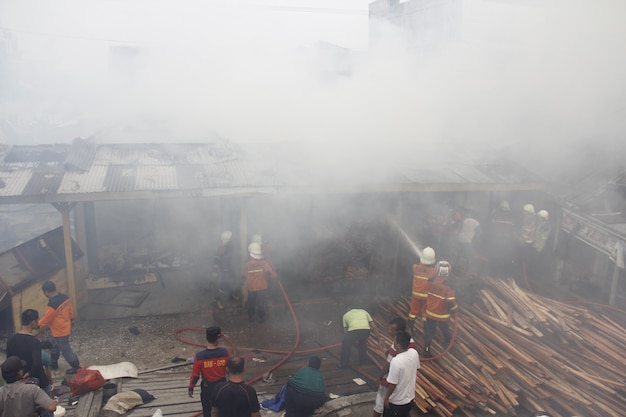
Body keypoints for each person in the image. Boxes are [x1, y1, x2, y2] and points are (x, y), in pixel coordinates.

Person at [6, 309, 53, 417]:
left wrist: (20, 376)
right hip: (38, 380)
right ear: (33, 322)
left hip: (18, 381)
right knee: (47, 410)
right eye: (37, 320)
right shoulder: (33, 342)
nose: (38, 322)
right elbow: (37, 363)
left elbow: (10, 360)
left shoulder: (11, 339)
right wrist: (29, 374)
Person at [373, 318, 416, 417]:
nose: (389, 331)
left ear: (399, 332)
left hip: (392, 380)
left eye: (391, 330)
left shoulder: (396, 356)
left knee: (380, 401)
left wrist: (380, 376)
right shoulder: (411, 342)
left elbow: (387, 366)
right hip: (406, 381)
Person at [38, 280, 80, 374]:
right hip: (65, 327)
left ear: (47, 292)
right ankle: (53, 363)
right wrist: (72, 319)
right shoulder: (65, 298)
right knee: (53, 344)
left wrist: (37, 325)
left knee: (65, 350)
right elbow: (70, 310)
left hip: (59, 331)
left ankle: (76, 366)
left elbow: (47, 319)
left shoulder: (52, 305)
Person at [188, 326, 230, 417]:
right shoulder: (225, 353)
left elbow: (195, 375)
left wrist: (191, 387)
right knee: (223, 411)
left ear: (207, 338)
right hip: (222, 385)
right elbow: (230, 370)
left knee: (207, 411)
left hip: (208, 388)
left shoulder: (199, 356)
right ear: (218, 339)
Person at [383, 331, 420, 417]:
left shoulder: (396, 361)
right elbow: (417, 368)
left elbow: (393, 383)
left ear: (398, 345)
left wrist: (387, 397)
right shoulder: (414, 353)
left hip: (396, 402)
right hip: (409, 398)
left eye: (394, 342)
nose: (393, 343)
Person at [423, 273, 458, 358]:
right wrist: (454, 310)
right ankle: (447, 342)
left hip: (430, 312)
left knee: (429, 333)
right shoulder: (448, 286)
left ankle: (426, 350)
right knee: (444, 329)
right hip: (442, 315)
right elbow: (450, 302)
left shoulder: (431, 281)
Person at [242, 242, 278, 323]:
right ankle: (261, 318)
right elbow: (273, 275)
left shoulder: (246, 264)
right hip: (262, 287)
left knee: (251, 303)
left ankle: (251, 317)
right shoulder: (264, 263)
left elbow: (243, 275)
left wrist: (245, 283)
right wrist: (273, 275)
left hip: (251, 288)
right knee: (261, 303)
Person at [408, 247, 438, 329]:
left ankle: (410, 328)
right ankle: (426, 330)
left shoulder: (415, 267)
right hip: (426, 296)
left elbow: (416, 265)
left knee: (413, 312)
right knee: (425, 313)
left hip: (415, 295)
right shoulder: (432, 271)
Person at [213, 231, 237, 310]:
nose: (232, 239)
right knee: (221, 287)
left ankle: (231, 296)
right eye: (230, 238)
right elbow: (216, 259)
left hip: (229, 268)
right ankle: (217, 301)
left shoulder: (230, 246)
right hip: (223, 270)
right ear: (227, 239)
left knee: (231, 283)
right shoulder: (222, 248)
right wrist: (216, 270)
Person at [456, 209, 481, 275]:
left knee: (459, 254)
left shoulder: (465, 220)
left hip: (460, 238)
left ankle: (456, 267)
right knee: (469, 257)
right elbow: (478, 234)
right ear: (478, 216)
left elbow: (460, 228)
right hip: (468, 241)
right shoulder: (477, 223)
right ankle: (468, 272)